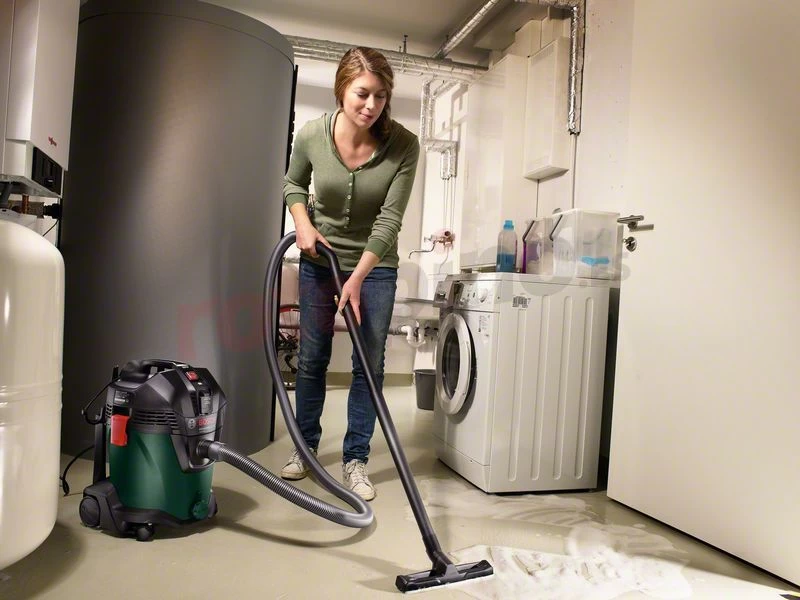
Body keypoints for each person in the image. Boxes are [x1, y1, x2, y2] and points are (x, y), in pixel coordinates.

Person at [280, 47, 420, 501]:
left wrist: (357, 278)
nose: (371, 105)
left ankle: (355, 458)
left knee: (368, 362)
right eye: (362, 93)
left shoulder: (404, 145)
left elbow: (390, 219)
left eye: (381, 95)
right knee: (312, 357)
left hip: (375, 268)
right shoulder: (312, 135)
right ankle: (304, 447)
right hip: (319, 262)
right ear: (342, 89)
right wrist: (303, 223)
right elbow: (293, 184)